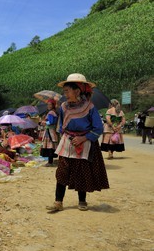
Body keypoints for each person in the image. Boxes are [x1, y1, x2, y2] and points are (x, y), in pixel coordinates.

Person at [46, 73, 109, 212]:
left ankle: (82, 200)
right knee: (62, 171)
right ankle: (58, 202)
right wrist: (65, 137)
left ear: (77, 91)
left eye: (67, 91)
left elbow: (98, 128)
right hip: (68, 142)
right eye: (65, 91)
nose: (65, 94)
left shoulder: (89, 107)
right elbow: (62, 124)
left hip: (84, 141)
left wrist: (83, 138)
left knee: (81, 171)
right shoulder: (63, 107)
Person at [40, 99, 59, 166]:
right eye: (48, 104)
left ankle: (50, 162)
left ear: (53, 105)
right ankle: (50, 161)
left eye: (50, 104)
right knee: (52, 146)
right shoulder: (54, 112)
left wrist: (44, 122)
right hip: (52, 131)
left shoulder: (51, 113)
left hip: (49, 132)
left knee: (49, 146)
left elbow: (51, 122)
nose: (48, 106)